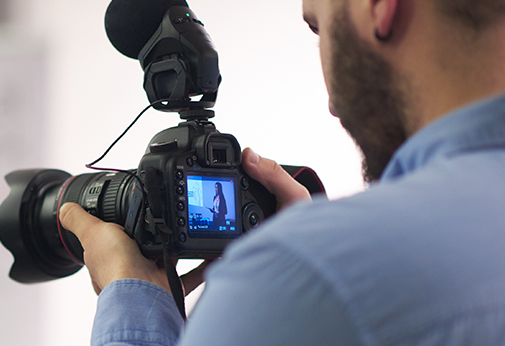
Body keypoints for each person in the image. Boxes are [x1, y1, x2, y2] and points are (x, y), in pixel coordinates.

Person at [59, 0, 505, 344]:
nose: (332, 104)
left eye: (320, 28)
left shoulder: (305, 275)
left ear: (379, 7)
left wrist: (132, 301)